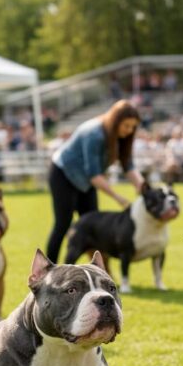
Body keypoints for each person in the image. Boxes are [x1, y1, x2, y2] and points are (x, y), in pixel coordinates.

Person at [45, 99, 144, 263]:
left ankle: (99, 272)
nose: (129, 130)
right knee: (63, 224)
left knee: (95, 228)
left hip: (85, 181)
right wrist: (118, 198)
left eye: (133, 127)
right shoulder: (94, 134)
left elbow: (128, 165)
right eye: (126, 126)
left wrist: (142, 186)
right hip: (63, 175)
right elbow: (94, 174)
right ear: (116, 122)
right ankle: (49, 270)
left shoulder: (122, 137)